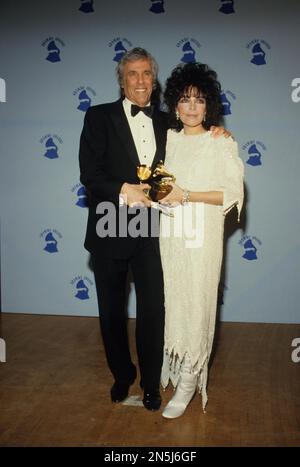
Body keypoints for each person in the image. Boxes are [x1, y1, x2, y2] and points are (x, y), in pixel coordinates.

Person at [79, 48, 229, 412]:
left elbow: (196, 137)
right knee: (112, 311)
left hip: (153, 228)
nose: (141, 80)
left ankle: (150, 382)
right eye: (133, 74)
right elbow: (90, 174)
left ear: (154, 79)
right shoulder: (98, 117)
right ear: (122, 79)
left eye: (147, 73)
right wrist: (123, 189)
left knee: (153, 311)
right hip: (110, 221)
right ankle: (121, 374)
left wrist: (217, 132)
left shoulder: (167, 122)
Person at [159, 62, 244, 418]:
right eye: (184, 99)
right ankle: (178, 361)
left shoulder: (221, 142)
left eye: (198, 100)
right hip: (171, 233)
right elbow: (158, 184)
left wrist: (187, 193)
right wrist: (160, 195)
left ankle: (191, 380)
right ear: (174, 105)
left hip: (203, 234)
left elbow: (231, 192)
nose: (192, 107)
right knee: (175, 299)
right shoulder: (169, 139)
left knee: (200, 302)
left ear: (208, 105)